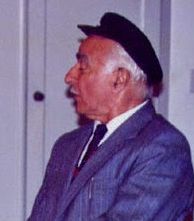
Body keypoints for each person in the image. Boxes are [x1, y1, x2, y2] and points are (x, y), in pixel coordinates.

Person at [28, 12, 194, 221]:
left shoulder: (163, 149)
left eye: (82, 67)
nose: (69, 77)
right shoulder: (66, 146)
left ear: (119, 79)